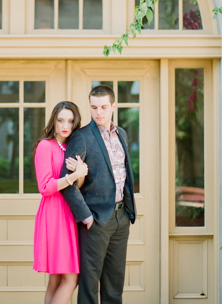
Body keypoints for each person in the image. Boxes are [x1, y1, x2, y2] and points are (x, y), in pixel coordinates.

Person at [61, 85, 137, 304]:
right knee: (89, 285)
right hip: (94, 220)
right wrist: (85, 216)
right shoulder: (82, 137)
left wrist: (129, 211)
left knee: (115, 285)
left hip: (121, 217)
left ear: (113, 106)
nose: (98, 113)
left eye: (104, 107)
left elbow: (124, 174)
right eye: (94, 107)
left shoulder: (121, 133)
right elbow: (67, 182)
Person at [33, 101, 89, 304]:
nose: (65, 125)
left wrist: (80, 172)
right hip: (54, 215)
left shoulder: (72, 147)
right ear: (53, 121)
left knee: (56, 280)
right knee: (71, 278)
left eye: (71, 121)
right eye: (60, 120)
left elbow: (77, 187)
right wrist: (73, 177)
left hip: (69, 214)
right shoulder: (45, 146)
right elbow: (45, 187)